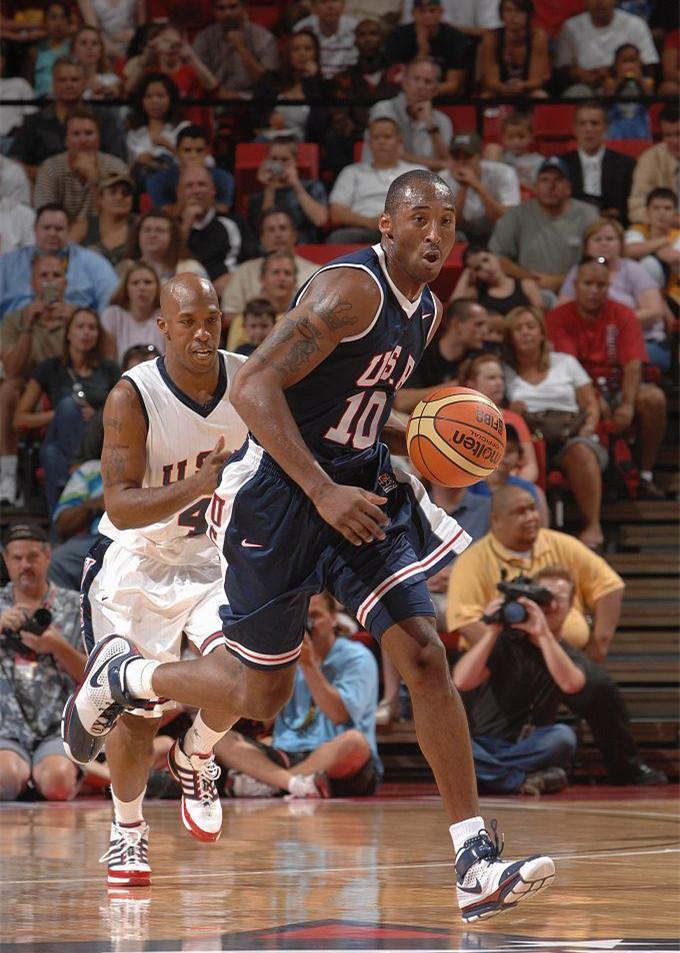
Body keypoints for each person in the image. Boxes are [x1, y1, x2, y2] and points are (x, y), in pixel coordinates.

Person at [65, 170, 556, 922]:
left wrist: (423, 437)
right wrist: (322, 489)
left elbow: (356, 407)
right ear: (386, 225)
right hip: (283, 495)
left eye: (447, 221)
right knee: (258, 694)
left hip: (357, 488)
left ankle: (473, 862)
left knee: (424, 653)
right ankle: (129, 678)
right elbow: (254, 388)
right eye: (419, 218)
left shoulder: (426, 308)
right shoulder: (349, 290)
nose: (434, 233)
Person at [63, 273, 249, 885]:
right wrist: (198, 484)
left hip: (211, 559)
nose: (202, 332)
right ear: (163, 327)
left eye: (211, 320)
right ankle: (128, 830)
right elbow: (119, 507)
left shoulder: (250, 381)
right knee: (138, 718)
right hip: (136, 563)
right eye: (187, 322)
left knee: (247, 674)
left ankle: (196, 753)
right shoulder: (132, 395)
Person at [446, 495, 668, 785]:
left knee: (594, 692)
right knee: (455, 740)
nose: (531, 517)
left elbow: (610, 584)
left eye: (533, 509)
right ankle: (520, 777)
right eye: (520, 511)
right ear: (496, 521)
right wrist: (499, 639)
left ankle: (626, 767)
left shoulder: (560, 545)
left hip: (557, 650)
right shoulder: (475, 559)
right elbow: (463, 625)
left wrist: (598, 644)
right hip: (501, 656)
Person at [219, 592, 382, 798]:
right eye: (301, 619)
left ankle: (272, 783)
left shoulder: (356, 656)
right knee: (220, 737)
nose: (307, 625)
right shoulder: (286, 657)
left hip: (335, 758)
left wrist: (308, 665)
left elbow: (339, 715)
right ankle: (292, 783)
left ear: (334, 618)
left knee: (354, 743)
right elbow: (266, 717)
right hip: (288, 753)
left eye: (314, 616)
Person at [453, 566, 584, 795]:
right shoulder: (503, 643)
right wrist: (492, 630)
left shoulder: (565, 652)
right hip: (486, 743)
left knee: (563, 737)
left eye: (559, 599)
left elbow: (571, 684)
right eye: (545, 598)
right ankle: (521, 780)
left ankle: (489, 775)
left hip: (532, 745)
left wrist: (543, 634)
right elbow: (462, 681)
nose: (551, 606)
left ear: (571, 606)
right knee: (451, 742)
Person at [547, 256, 668, 499]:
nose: (594, 290)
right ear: (575, 285)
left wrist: (627, 405)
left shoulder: (623, 314)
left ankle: (644, 474)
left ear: (608, 287)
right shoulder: (558, 317)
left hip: (616, 385)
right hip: (578, 389)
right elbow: (569, 368)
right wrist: (592, 398)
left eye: (600, 285)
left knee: (654, 399)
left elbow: (633, 365)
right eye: (587, 284)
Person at [502, 305, 605, 548]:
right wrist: (511, 411)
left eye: (531, 326)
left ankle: (593, 525)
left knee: (581, 451)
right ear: (510, 338)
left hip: (569, 434)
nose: (525, 332)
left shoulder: (565, 362)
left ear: (542, 333)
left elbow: (591, 403)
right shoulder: (504, 371)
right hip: (526, 438)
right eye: (518, 328)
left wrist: (589, 427)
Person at [0, 522, 86, 802]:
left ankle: (46, 777)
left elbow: (92, 677)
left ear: (48, 556)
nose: (25, 565)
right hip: (6, 728)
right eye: (17, 558)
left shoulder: (75, 605)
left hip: (56, 727)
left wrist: (57, 646)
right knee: (4, 779)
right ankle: (27, 777)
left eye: (32, 557)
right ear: (6, 561)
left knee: (57, 783)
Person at [13, 307, 119, 515]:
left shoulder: (109, 369)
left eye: (92, 327)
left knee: (51, 454)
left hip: (98, 442)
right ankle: (76, 470)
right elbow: (19, 419)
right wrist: (59, 415)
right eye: (80, 326)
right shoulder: (50, 368)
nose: (86, 332)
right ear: (68, 333)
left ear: (98, 335)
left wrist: (98, 416)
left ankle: (61, 522)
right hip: (62, 436)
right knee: (67, 407)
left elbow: (124, 410)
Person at [0, 254, 75, 507]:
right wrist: (28, 327)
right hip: (28, 393)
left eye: (56, 276)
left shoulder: (78, 317)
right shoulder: (15, 320)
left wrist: (70, 326)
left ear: (65, 283)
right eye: (44, 276)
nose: (50, 282)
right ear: (32, 284)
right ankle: (7, 474)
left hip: (66, 388)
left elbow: (87, 364)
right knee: (7, 389)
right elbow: (12, 369)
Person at [558, 218, 668, 371]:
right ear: (586, 246)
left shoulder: (634, 270)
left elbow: (655, 312)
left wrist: (612, 326)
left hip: (640, 341)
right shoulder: (577, 272)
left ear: (620, 244)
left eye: (610, 239)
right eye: (597, 239)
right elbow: (562, 312)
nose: (604, 244)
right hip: (590, 344)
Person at [488, 156, 599, 301]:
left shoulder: (589, 215)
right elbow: (496, 257)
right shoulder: (517, 215)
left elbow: (601, 259)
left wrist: (563, 281)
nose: (550, 186)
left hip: (578, 294)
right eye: (544, 180)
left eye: (557, 180)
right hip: (527, 294)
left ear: (568, 188)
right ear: (535, 186)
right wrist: (530, 278)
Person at [9, 55, 126, 177]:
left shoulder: (105, 117)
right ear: (53, 84)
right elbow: (15, 161)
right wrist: (43, 175)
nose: (69, 85)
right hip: (42, 183)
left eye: (74, 80)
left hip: (95, 181)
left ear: (85, 82)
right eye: (62, 80)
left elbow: (117, 160)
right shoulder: (34, 120)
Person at [0, 203, 118, 318]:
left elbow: (112, 302)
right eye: (46, 228)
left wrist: (79, 315)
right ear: (35, 230)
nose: (52, 234)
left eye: (59, 229)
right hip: (16, 327)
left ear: (69, 231)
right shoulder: (7, 264)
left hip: (72, 327)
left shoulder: (93, 262)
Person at [328, 117, 424, 243]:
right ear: (369, 143)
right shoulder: (351, 172)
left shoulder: (417, 172)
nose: (381, 142)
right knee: (338, 238)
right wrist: (370, 222)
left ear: (399, 141)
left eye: (387, 137)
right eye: (376, 138)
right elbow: (336, 212)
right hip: (364, 229)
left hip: (407, 229)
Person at [33, 109, 130, 225]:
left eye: (89, 133)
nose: (83, 140)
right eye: (76, 134)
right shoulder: (50, 168)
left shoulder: (116, 167)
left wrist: (94, 179)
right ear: (66, 140)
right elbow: (46, 218)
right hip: (63, 232)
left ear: (99, 138)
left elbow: (116, 218)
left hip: (104, 233)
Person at [394, 297, 488, 413]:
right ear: (457, 325)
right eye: (478, 324)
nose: (485, 331)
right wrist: (453, 388)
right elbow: (400, 402)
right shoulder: (422, 351)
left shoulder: (478, 358)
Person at [221, 209, 318, 321]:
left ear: (295, 235)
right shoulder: (244, 271)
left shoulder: (315, 273)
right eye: (271, 230)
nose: (278, 235)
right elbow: (228, 314)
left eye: (283, 228)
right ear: (262, 238)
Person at [459, 352, 540, 484]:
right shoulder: (458, 417)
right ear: (471, 384)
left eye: (501, 378)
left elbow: (530, 466)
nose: (499, 383)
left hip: (509, 485)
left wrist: (511, 488)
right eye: (491, 378)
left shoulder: (514, 419)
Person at [555, 0, 658, 97]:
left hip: (624, 85)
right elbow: (561, 69)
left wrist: (614, 72)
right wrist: (579, 73)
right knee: (576, 93)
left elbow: (650, 66)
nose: (599, 2)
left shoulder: (635, 25)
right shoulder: (570, 27)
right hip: (585, 87)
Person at [176, 164, 250, 296]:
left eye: (202, 185)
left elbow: (251, 262)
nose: (196, 191)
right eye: (189, 186)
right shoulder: (168, 226)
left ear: (213, 191)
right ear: (179, 193)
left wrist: (235, 278)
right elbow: (165, 263)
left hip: (226, 294)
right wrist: (186, 225)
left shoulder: (232, 223)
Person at [366, 59, 452, 171]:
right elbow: (392, 154)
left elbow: (447, 162)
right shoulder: (384, 109)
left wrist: (431, 125)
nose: (421, 86)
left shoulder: (443, 120)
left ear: (435, 90)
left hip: (427, 180)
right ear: (404, 83)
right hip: (382, 176)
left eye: (428, 82)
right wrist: (438, 164)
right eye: (416, 79)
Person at [561, 101, 636, 227]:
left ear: (606, 127)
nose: (588, 129)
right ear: (574, 129)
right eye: (582, 124)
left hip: (614, 227)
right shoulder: (562, 165)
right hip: (570, 227)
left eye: (594, 123)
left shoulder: (625, 164)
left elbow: (627, 207)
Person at [250, 30, 329, 144]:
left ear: (316, 54)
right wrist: (268, 118)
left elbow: (319, 127)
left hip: (303, 143)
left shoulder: (322, 86)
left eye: (308, 49)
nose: (302, 54)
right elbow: (254, 113)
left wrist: (312, 81)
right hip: (271, 138)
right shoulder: (270, 79)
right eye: (295, 49)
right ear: (288, 54)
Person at [440, 132, 520, 243]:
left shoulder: (503, 173)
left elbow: (507, 219)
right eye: (456, 157)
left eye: (467, 157)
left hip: (495, 233)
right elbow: (448, 224)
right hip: (461, 235)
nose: (461, 162)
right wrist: (463, 187)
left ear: (480, 156)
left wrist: (477, 186)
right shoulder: (442, 179)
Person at [247, 139, 328, 244]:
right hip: (272, 249)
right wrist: (269, 189)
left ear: (295, 161)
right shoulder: (257, 197)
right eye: (274, 159)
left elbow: (320, 220)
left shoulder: (311, 187)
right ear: (266, 161)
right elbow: (264, 230)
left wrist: (296, 185)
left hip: (305, 246)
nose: (279, 164)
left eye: (284, 160)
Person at [192, 0, 280, 95]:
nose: (228, 13)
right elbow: (195, 78)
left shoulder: (265, 38)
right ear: (214, 11)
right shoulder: (204, 38)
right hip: (215, 95)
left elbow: (268, 84)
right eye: (221, 8)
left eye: (233, 7)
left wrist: (241, 48)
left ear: (245, 8)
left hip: (252, 96)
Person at [384, 0, 469, 97]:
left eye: (432, 11)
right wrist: (422, 50)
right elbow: (396, 78)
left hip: (441, 96)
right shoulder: (398, 36)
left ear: (441, 12)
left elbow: (453, 85)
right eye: (422, 11)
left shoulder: (455, 38)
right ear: (413, 13)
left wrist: (422, 90)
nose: (427, 16)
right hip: (405, 95)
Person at [147, 124, 235, 213]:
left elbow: (223, 211)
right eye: (187, 150)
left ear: (207, 151)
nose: (193, 156)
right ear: (177, 151)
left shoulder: (223, 178)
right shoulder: (158, 180)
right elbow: (164, 215)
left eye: (199, 150)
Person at [125, 73, 186, 193]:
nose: (154, 101)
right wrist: (139, 162)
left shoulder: (183, 129)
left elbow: (206, 162)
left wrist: (172, 149)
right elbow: (125, 171)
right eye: (148, 96)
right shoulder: (133, 134)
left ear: (171, 99)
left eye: (160, 96)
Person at [479, 0, 550, 100]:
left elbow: (536, 81)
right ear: (501, 14)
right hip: (498, 90)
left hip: (528, 89)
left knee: (540, 95)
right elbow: (490, 81)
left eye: (519, 11)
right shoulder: (492, 38)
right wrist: (503, 88)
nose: (513, 16)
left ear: (528, 14)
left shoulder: (538, 37)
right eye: (508, 11)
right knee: (486, 97)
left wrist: (523, 86)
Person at [226, 251, 298, 351]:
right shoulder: (241, 320)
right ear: (262, 279)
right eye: (276, 272)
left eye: (287, 273)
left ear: (295, 282)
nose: (282, 278)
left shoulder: (301, 320)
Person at [625, 187, 680, 313]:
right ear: (647, 213)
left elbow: (673, 258)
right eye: (656, 208)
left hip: (673, 298)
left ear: (675, 215)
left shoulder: (678, 235)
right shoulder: (637, 230)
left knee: (648, 262)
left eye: (667, 208)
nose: (662, 213)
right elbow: (628, 251)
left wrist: (645, 248)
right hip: (636, 295)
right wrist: (663, 241)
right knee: (648, 263)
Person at [70, 169, 137, 269]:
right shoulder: (83, 227)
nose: (119, 197)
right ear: (100, 199)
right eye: (113, 192)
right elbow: (64, 256)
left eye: (125, 193)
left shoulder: (139, 225)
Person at [451, 244, 544, 315]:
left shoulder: (526, 285)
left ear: (495, 256)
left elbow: (539, 318)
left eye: (486, 260)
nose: (486, 268)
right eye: (478, 268)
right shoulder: (476, 294)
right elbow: (453, 311)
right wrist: (465, 276)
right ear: (474, 275)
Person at [101, 261, 165, 362]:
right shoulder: (113, 315)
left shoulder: (165, 315)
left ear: (157, 287)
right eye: (135, 283)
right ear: (126, 289)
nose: (142, 288)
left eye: (148, 282)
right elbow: (108, 361)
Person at [123, 209, 207, 285]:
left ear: (173, 237)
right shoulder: (125, 268)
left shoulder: (190, 269)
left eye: (160, 230)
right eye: (147, 230)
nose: (152, 235)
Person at [628, 105, 680, 227]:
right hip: (660, 229)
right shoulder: (649, 159)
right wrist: (670, 220)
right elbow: (636, 208)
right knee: (633, 234)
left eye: (679, 134)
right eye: (668, 135)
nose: (675, 142)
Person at [294, 0, 359, 80]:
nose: (330, 6)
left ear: (343, 4)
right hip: (312, 81)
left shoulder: (355, 29)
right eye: (323, 1)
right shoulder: (302, 29)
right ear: (313, 7)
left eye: (335, 1)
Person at [483, 112, 544, 194]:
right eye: (511, 137)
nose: (516, 142)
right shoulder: (501, 156)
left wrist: (519, 183)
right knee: (492, 148)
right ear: (503, 138)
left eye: (521, 136)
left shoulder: (539, 160)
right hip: (503, 196)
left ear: (531, 137)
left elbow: (541, 191)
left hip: (527, 196)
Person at [71, 24, 122, 100]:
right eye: (83, 43)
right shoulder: (64, 80)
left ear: (101, 50)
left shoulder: (112, 80)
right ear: (73, 50)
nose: (89, 47)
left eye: (94, 43)